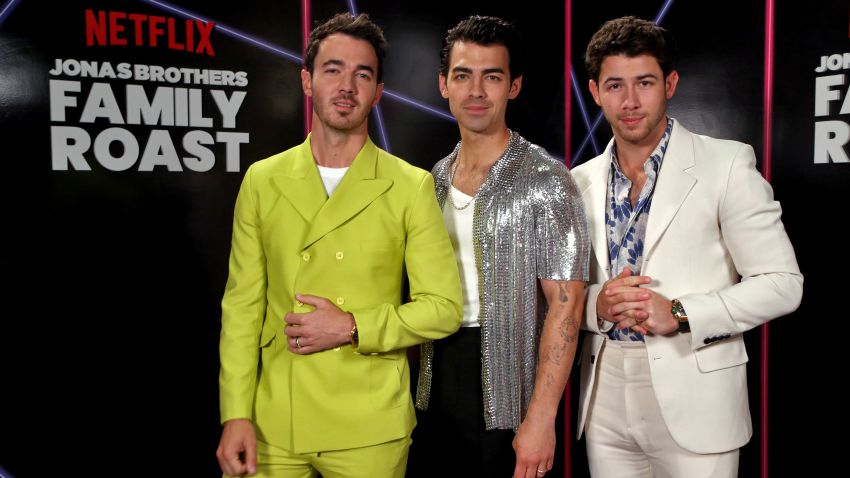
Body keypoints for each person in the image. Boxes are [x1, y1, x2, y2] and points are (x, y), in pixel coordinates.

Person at [215, 12, 463, 478]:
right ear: (308, 81)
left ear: (377, 92)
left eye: (362, 74)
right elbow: (242, 309)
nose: (346, 85)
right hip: (274, 418)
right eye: (333, 69)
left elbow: (444, 308)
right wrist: (236, 413)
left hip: (368, 422)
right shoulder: (263, 180)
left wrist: (352, 327)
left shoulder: (409, 185)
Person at [572, 16, 803, 477]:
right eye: (615, 85)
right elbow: (560, 297)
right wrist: (597, 304)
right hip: (603, 398)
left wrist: (680, 312)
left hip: (699, 396)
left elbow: (783, 284)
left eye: (645, 83)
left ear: (670, 83)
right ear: (595, 92)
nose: (631, 101)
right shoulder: (576, 183)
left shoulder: (727, 163)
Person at [408, 15, 589, 478]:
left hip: (510, 396)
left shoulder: (547, 181)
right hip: (431, 384)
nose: (476, 91)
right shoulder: (430, 182)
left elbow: (566, 308)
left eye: (492, 77)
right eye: (463, 76)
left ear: (514, 86)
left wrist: (542, 418)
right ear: (443, 84)